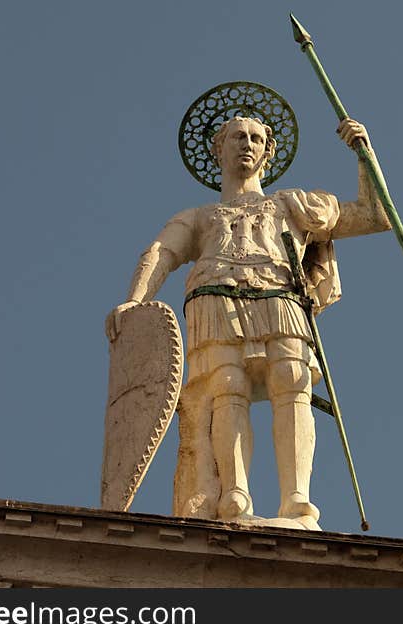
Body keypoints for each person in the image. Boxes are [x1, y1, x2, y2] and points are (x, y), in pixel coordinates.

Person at [106, 116, 388, 530]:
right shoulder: (201, 216)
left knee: (292, 379)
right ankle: (234, 496)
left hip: (280, 294)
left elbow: (373, 215)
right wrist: (134, 300)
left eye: (257, 139)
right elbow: (161, 251)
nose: (248, 145)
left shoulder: (294, 204)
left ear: (268, 153)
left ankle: (297, 504)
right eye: (238, 137)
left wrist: (366, 156)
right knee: (226, 386)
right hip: (214, 296)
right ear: (218, 149)